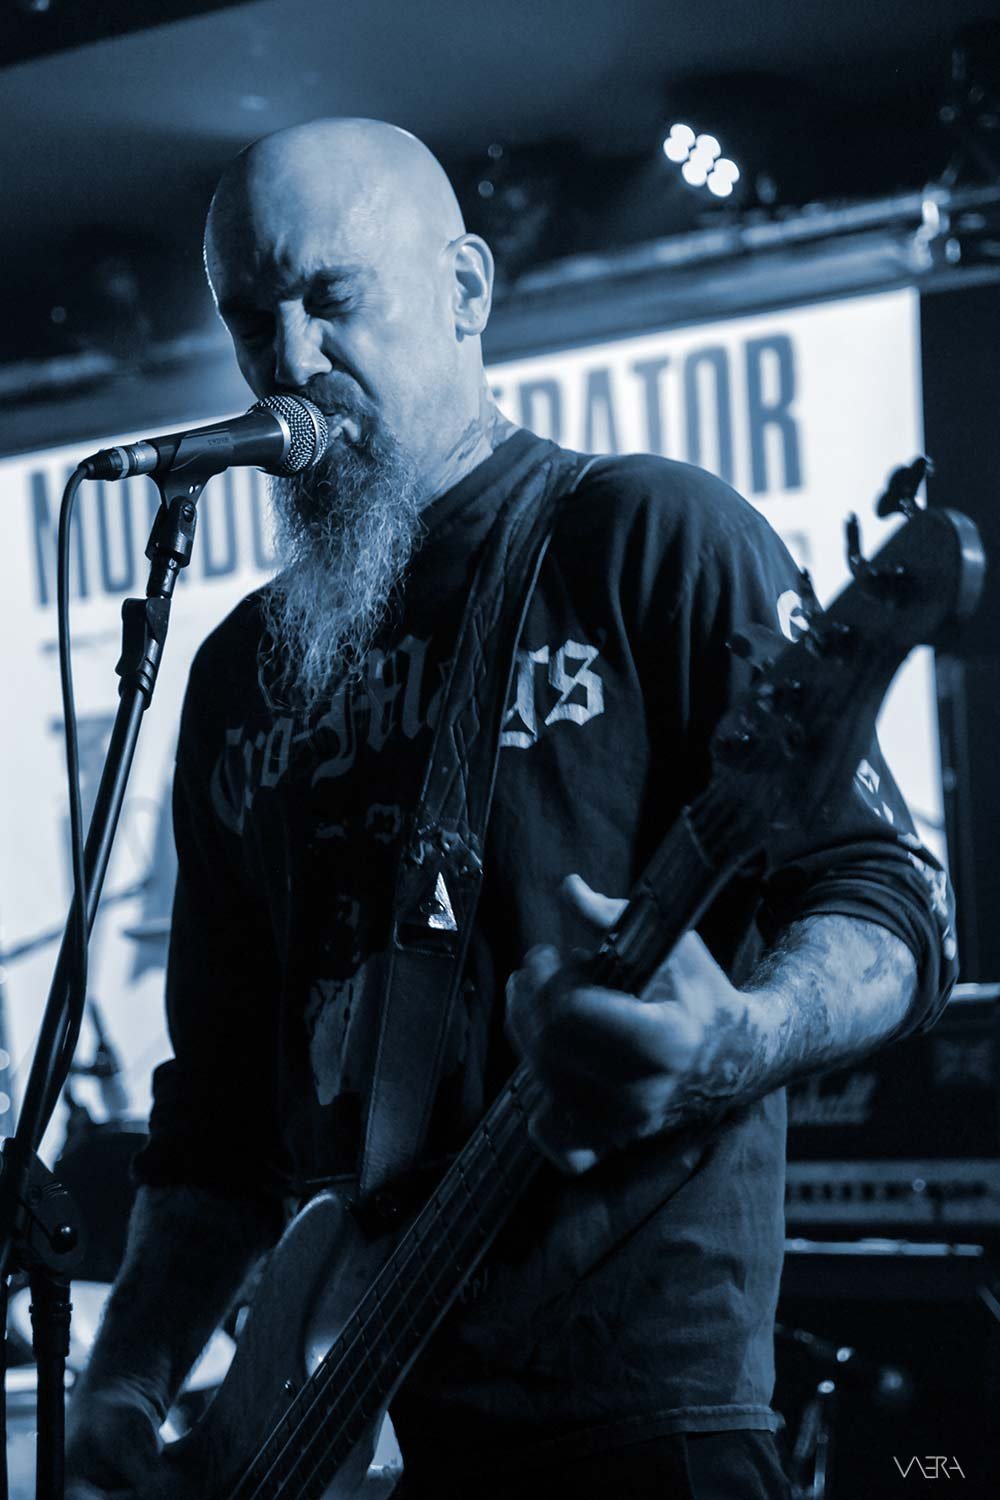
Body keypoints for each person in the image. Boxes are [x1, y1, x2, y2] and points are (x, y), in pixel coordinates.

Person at [65, 119, 955, 1500]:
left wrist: (738, 1035)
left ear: (467, 289)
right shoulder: (240, 673)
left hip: (635, 1423)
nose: (290, 357)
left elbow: (888, 900)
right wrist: (127, 1377)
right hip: (338, 1433)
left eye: (331, 297)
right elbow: (219, 1119)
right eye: (250, 318)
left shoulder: (646, 536)